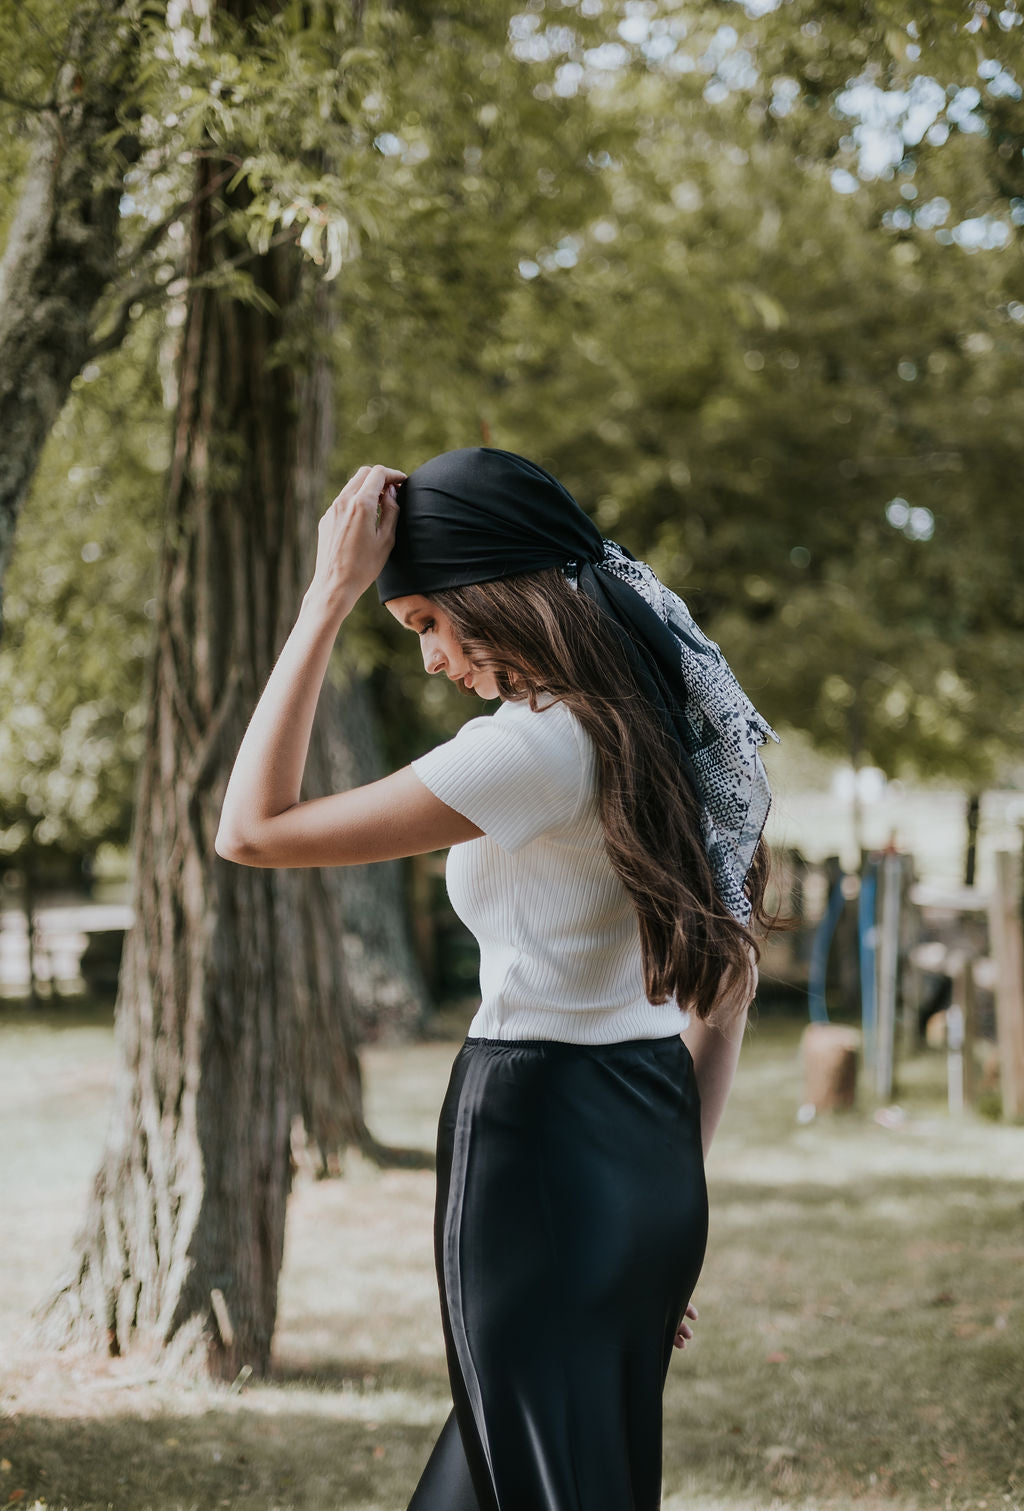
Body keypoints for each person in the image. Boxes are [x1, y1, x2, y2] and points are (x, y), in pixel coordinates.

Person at [216, 448, 779, 1511]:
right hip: (650, 1144)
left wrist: (327, 597)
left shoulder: (531, 751)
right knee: (525, 1469)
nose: (431, 658)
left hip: (534, 1140)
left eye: (429, 621)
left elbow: (250, 828)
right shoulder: (669, 725)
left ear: (494, 590)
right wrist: (669, 1205)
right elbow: (730, 981)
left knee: (533, 1470)